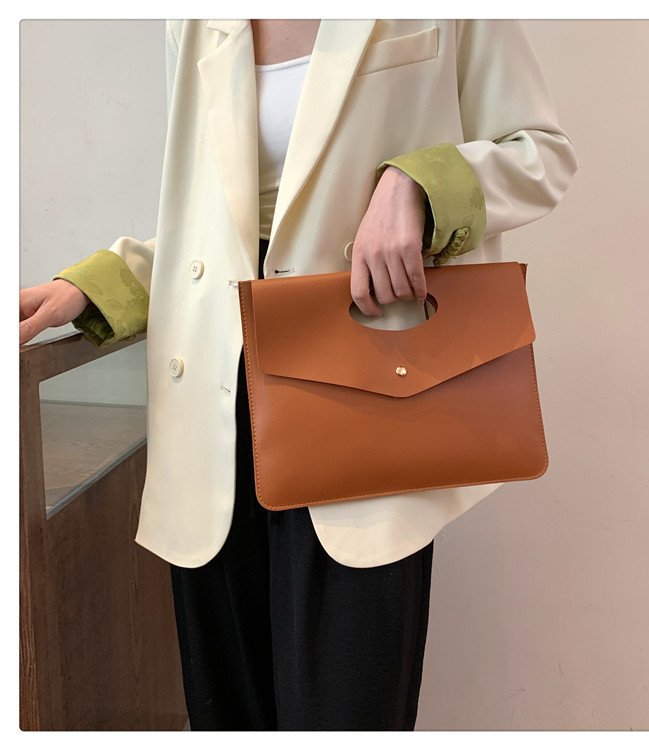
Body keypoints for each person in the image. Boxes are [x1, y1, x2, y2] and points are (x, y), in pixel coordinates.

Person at [19, 20, 578, 730]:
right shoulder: (196, 20)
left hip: (365, 409)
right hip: (214, 419)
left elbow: (541, 152)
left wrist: (419, 184)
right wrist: (101, 283)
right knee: (229, 717)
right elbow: (218, 224)